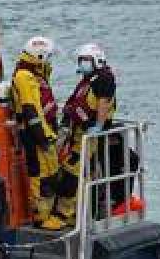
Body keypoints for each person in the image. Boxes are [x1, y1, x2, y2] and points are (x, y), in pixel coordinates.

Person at [49, 43, 118, 229]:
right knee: (71, 172)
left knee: (72, 174)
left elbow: (104, 103)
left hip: (89, 135)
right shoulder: (89, 80)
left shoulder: (104, 79)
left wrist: (98, 126)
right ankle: (72, 214)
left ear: (96, 60)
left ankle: (63, 215)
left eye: (85, 60)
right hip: (78, 134)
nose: (82, 64)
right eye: (81, 60)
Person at [10, 36, 60, 227]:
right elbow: (31, 109)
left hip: (43, 132)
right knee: (39, 174)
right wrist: (42, 137)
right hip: (35, 134)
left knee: (49, 172)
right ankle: (40, 216)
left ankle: (47, 214)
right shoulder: (24, 76)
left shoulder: (35, 73)